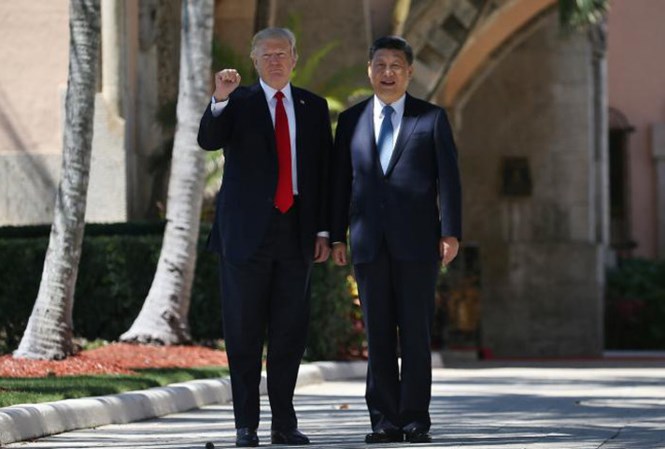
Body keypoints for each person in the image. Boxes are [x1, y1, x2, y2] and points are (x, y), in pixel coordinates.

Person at [197, 27, 332, 447]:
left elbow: (324, 173)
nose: (275, 61)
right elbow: (208, 140)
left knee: (289, 334)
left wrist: (324, 230)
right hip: (244, 236)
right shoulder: (237, 102)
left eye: (282, 53)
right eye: (266, 55)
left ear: (294, 58)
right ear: (254, 61)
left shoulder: (313, 106)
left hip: (297, 233)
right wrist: (219, 98)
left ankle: (284, 424)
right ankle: (246, 425)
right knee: (243, 333)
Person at [330, 35, 462, 444]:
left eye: (395, 66)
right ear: (369, 70)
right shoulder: (350, 121)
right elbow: (339, 183)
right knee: (379, 333)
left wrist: (450, 231)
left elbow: (449, 180)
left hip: (419, 244)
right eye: (380, 65)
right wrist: (335, 236)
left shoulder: (431, 118)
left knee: (416, 334)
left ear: (409, 72)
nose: (387, 73)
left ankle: (415, 417)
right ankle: (384, 420)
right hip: (368, 242)